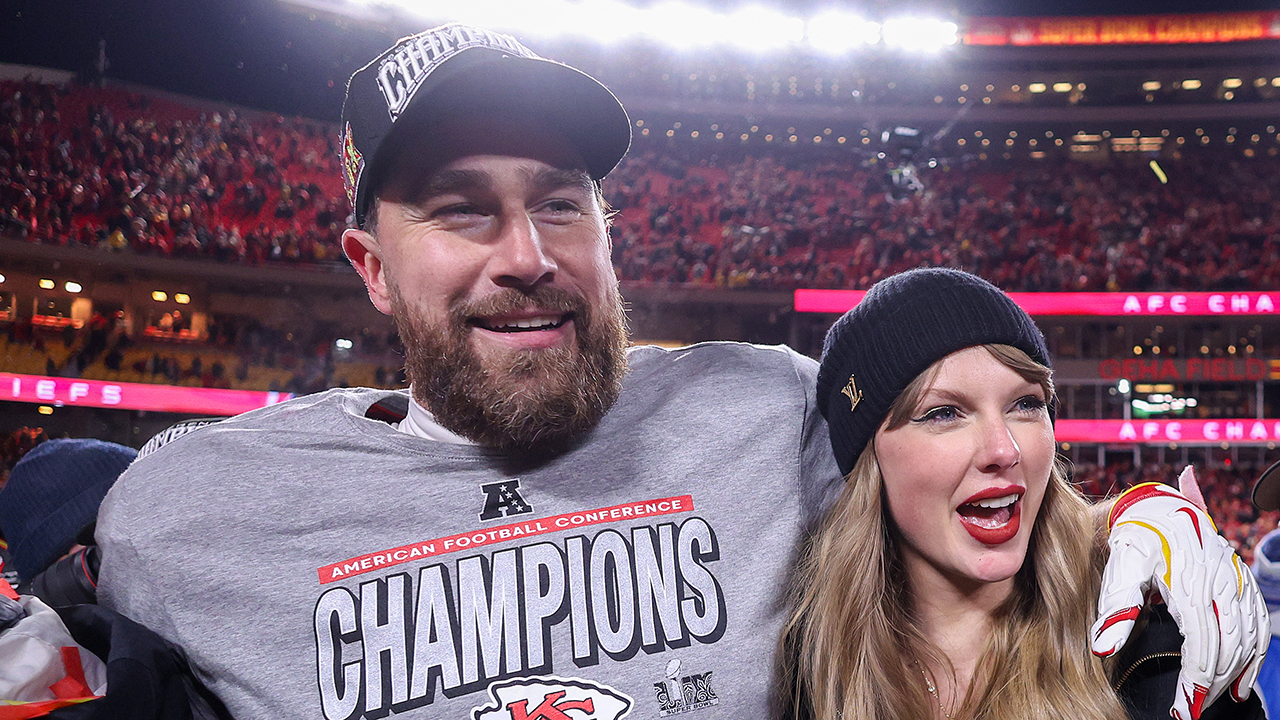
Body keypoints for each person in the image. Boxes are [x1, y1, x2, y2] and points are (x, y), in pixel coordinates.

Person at [96, 23, 1264, 720]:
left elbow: (955, 443)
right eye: (460, 213)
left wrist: (1138, 528)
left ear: (607, 230)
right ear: (370, 266)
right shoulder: (189, 508)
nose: (524, 257)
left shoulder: (763, 408)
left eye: (559, 203)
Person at [786, 268, 1266, 720]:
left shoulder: (1157, 652)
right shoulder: (801, 663)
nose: (1004, 449)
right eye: (943, 413)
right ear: (870, 463)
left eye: (1025, 404)